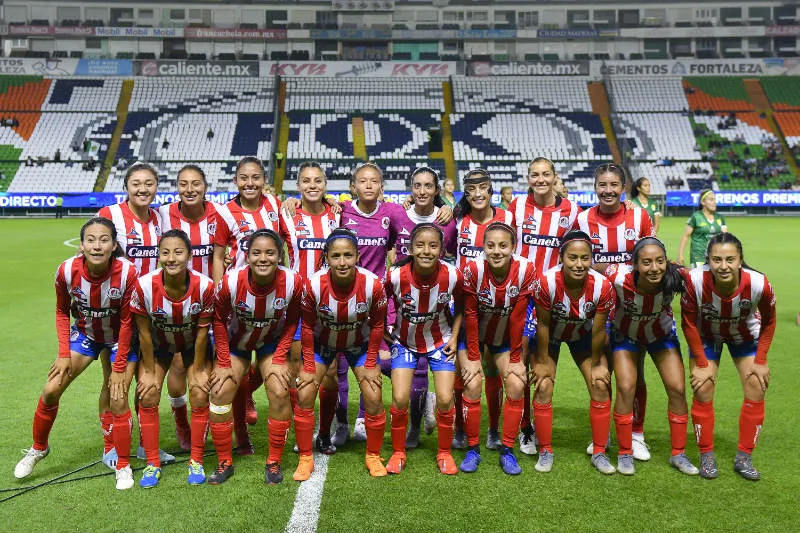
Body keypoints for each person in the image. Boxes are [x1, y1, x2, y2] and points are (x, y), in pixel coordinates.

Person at [14, 218, 137, 490]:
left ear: (114, 245)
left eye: (104, 240)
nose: (97, 245)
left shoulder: (128, 272)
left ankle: (123, 464)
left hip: (119, 338)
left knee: (117, 395)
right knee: (51, 389)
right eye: (91, 240)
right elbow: (61, 310)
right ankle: (38, 448)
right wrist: (62, 353)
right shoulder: (67, 270)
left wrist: (118, 368)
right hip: (86, 335)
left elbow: (129, 321)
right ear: (82, 245)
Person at [293, 229, 389, 481]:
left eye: (348, 255)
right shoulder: (313, 284)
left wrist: (370, 362)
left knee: (373, 394)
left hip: (359, 344)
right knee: (304, 392)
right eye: (336, 256)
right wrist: (309, 365)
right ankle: (305, 457)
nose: (343, 262)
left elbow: (378, 325)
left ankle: (373, 456)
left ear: (357, 256)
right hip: (323, 344)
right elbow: (306, 326)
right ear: (327, 258)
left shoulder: (373, 284)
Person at [576, 163, 655, 461]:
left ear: (623, 188)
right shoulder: (582, 219)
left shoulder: (639, 216)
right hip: (596, 309)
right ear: (595, 187)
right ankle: (604, 433)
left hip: (633, 310)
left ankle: (636, 434)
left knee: (636, 375)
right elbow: (577, 261)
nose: (608, 190)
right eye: (602, 185)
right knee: (602, 373)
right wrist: (611, 270)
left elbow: (651, 258)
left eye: (614, 185)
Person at [681, 233, 775, 481]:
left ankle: (744, 457)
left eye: (730, 259)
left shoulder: (758, 283)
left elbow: (770, 320)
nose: (723, 266)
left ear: (740, 260)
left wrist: (762, 359)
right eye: (717, 260)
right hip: (706, 334)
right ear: (708, 260)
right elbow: (688, 323)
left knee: (756, 386)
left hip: (744, 335)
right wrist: (701, 364)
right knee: (703, 388)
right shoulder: (695, 280)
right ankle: (706, 455)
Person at [211, 229, 301, 484]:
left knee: (280, 390)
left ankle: (273, 462)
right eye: (257, 253)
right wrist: (224, 362)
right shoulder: (231, 281)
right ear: (247, 256)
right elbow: (218, 320)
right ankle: (224, 461)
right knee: (219, 393)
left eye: (270, 253)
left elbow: (293, 320)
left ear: (279, 256)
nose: (263, 258)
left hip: (270, 344)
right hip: (237, 344)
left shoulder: (293, 281)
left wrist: (281, 356)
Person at [128, 229, 215, 487]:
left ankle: (196, 459)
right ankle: (152, 463)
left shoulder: (205, 285)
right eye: (165, 252)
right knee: (148, 392)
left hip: (192, 344)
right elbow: (143, 334)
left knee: (200, 391)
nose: (171, 258)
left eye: (178, 252)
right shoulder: (144, 286)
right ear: (158, 255)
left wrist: (198, 368)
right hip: (158, 345)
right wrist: (147, 370)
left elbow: (202, 333)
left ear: (189, 255)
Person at [508, 157, 581, 454]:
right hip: (522, 298)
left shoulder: (571, 210)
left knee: (545, 365)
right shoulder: (516, 206)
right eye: (534, 175)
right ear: (528, 178)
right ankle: (525, 426)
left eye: (545, 174)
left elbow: (580, 246)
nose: (540, 180)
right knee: (522, 363)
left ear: (554, 177)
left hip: (552, 300)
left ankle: (537, 423)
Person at [609, 238, 699, 476]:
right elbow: (591, 267)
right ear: (634, 265)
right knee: (626, 387)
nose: (654, 268)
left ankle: (678, 454)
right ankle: (625, 452)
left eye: (659, 261)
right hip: (625, 335)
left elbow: (708, 277)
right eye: (646, 262)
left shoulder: (676, 276)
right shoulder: (619, 276)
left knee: (677, 388)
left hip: (661, 334)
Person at [530, 231, 616, 475]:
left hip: (584, 335)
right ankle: (545, 449)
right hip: (552, 334)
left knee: (600, 384)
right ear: (562, 258)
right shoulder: (546, 282)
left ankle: (599, 451)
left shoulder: (602, 286)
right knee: (544, 384)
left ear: (591, 259)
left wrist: (599, 363)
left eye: (585, 258)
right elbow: (544, 324)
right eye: (572, 258)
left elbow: (599, 329)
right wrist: (544, 361)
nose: (579, 264)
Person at [213, 156, 283, 453]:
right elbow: (218, 256)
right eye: (244, 178)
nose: (250, 183)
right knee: (235, 375)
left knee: (281, 371)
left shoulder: (275, 206)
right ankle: (241, 438)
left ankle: (252, 395)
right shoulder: (225, 212)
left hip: (271, 301)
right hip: (238, 301)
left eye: (255, 177)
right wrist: (220, 292)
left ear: (264, 180)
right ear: (236, 181)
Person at [385, 223, 463, 475]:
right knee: (399, 398)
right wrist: (386, 329)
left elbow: (463, 306)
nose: (426, 251)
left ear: (441, 249)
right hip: (405, 341)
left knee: (444, 398)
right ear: (410, 248)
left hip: (440, 340)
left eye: (433, 245)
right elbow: (379, 300)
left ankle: (444, 453)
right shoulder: (396, 276)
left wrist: (456, 337)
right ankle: (398, 452)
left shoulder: (452, 275)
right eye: (420, 245)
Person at [460, 222, 536, 474]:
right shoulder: (473, 269)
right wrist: (473, 356)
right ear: (483, 247)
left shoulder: (525, 269)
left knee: (515, 383)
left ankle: (507, 450)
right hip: (473, 337)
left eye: (503, 246)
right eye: (490, 246)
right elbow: (469, 314)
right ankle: (472, 449)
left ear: (513, 247)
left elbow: (518, 317)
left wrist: (516, 358)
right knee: (471, 383)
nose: (496, 251)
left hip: (504, 338)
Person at [389, 166, 457, 448]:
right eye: (417, 186)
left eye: (429, 186)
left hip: (435, 311)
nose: (422, 191)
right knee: (401, 379)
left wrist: (450, 207)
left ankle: (435, 425)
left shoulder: (449, 221)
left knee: (443, 385)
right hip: (404, 313)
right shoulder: (397, 215)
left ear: (437, 190)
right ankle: (412, 424)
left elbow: (453, 255)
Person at [157, 164, 220, 451]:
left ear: (206, 186)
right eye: (184, 184)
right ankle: (182, 422)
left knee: (208, 366)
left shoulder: (220, 214)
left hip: (209, 302)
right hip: (172, 305)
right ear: (177, 187)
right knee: (180, 365)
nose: (190, 189)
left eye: (196, 183)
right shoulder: (162, 215)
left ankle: (213, 418)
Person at [452, 168, 513, 451]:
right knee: (461, 371)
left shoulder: (507, 219)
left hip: (499, 307)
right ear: (466, 194)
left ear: (491, 191)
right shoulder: (457, 220)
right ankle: (461, 428)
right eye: (472, 190)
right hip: (465, 307)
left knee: (490, 369)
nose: (478, 194)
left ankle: (492, 429)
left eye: (483, 188)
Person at [278, 161, 340, 429]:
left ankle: (324, 429)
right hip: (296, 302)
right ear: (298, 185)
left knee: (330, 371)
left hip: (329, 305)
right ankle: (300, 421)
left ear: (325, 185)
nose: (312, 186)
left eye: (317, 181)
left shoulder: (338, 215)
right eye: (306, 181)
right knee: (294, 364)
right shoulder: (287, 215)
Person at [677, 189, 727, 268]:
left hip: (715, 256)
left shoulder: (720, 218)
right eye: (711, 199)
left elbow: (725, 237)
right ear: (703, 202)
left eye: (714, 199)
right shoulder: (696, 217)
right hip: (698, 256)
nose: (714, 202)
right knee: (700, 279)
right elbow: (686, 236)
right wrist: (680, 255)